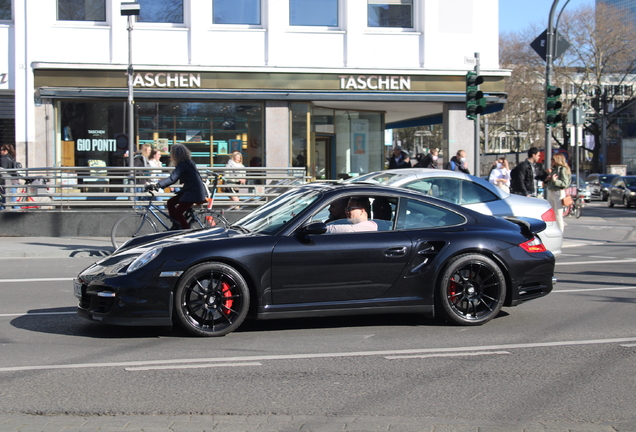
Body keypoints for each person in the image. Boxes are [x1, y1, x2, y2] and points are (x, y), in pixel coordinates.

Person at [149, 144, 207, 230]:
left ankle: (185, 231)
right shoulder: (188, 162)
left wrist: (158, 185)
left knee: (178, 212)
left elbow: (173, 178)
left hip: (194, 192)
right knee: (170, 202)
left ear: (176, 155)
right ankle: (176, 224)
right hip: (191, 190)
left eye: (171, 153)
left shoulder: (183, 165)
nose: (170, 155)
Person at [545, 153, 572, 233]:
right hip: (551, 191)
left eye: (553, 159)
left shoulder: (562, 169)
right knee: (550, 213)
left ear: (558, 160)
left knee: (558, 215)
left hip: (558, 192)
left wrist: (555, 181)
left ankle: (560, 232)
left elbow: (565, 183)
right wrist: (548, 178)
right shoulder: (554, 169)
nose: (551, 161)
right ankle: (553, 230)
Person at [0, 144, 20, 209]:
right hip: (14, 181)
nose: (0, 151)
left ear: (5, 151)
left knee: (11, 202)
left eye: (1, 150)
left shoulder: (3, 159)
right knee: (5, 202)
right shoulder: (11, 158)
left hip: (8, 182)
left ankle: (18, 217)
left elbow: (2, 172)